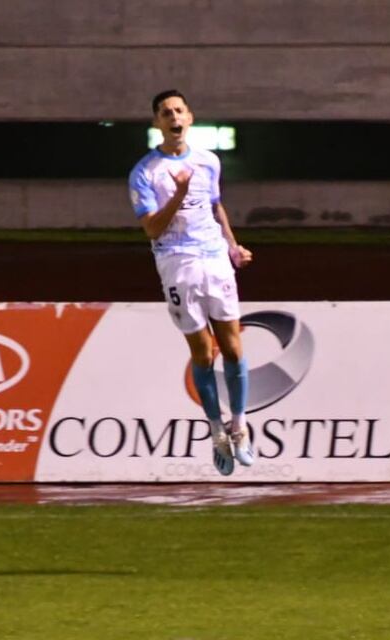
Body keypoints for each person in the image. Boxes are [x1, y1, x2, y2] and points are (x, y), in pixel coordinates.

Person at [128, 89, 255, 477]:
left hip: (214, 258)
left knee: (233, 347)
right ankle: (216, 429)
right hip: (177, 262)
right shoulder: (144, 173)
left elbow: (216, 206)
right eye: (166, 113)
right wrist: (179, 193)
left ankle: (240, 425)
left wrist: (233, 246)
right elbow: (150, 226)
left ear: (190, 117)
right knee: (204, 354)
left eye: (179, 110)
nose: (174, 117)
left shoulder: (209, 161)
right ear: (157, 123)